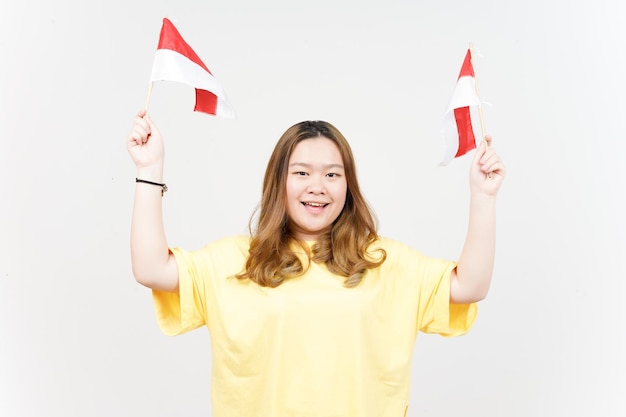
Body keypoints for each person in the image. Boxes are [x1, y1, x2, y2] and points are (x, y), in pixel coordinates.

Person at [127, 109, 505, 417]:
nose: (317, 186)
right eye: (302, 172)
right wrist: (150, 169)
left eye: (332, 174)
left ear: (348, 186)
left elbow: (469, 286)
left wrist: (483, 196)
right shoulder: (234, 261)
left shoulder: (384, 262)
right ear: (280, 182)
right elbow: (151, 269)